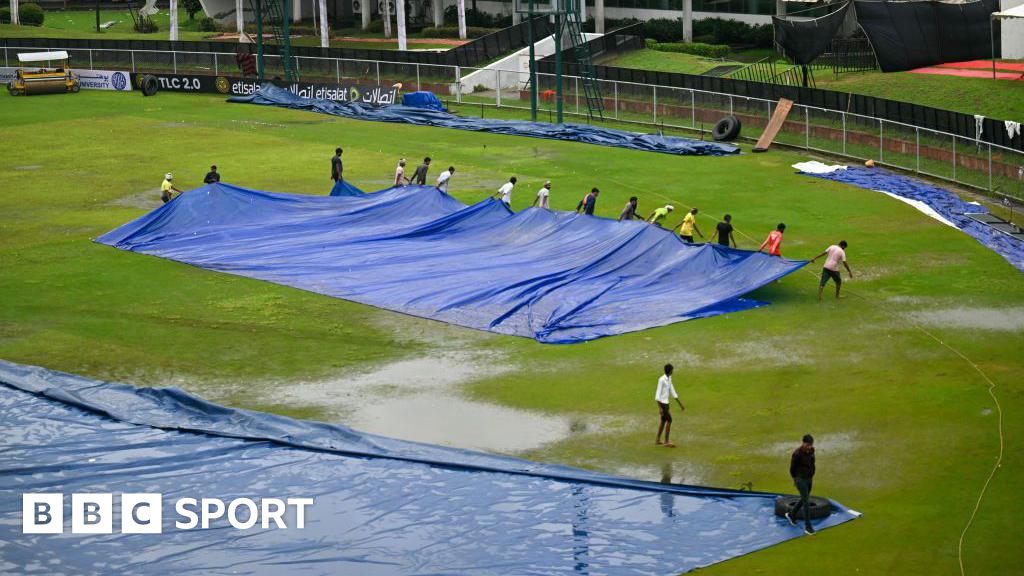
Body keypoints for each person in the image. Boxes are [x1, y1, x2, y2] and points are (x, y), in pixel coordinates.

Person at [786, 434, 816, 535]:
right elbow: (792, 468)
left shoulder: (812, 451)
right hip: (800, 479)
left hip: (809, 478)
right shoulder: (797, 454)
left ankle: (792, 514)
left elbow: (812, 463)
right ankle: (808, 526)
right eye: (808, 444)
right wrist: (795, 479)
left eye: (811, 445)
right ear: (803, 443)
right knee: (806, 501)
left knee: (804, 498)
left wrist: (812, 474)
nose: (809, 447)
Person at [655, 364, 685, 447]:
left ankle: (657, 440)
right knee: (669, 420)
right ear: (670, 371)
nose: (673, 371)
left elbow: (672, 390)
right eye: (672, 370)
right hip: (662, 404)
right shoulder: (661, 380)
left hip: (666, 403)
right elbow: (657, 394)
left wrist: (679, 403)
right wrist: (660, 408)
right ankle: (666, 441)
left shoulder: (669, 378)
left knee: (663, 421)